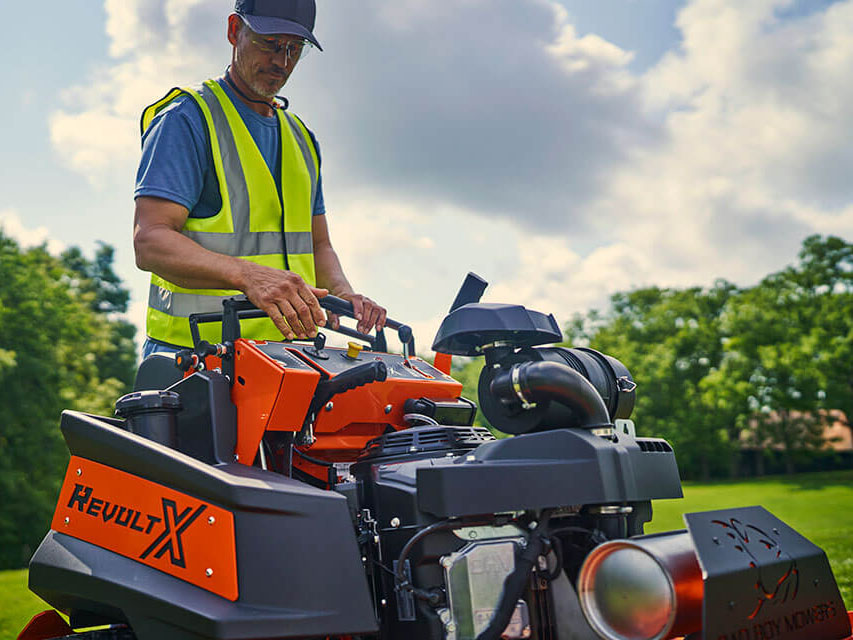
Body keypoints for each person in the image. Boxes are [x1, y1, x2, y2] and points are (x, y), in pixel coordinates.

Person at [133, 0, 385, 358]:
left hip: (288, 360)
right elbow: (151, 242)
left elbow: (318, 245)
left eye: (294, 49)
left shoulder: (301, 139)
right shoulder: (188, 119)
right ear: (235, 30)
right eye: (270, 43)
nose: (282, 62)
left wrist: (344, 295)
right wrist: (248, 275)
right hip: (193, 361)